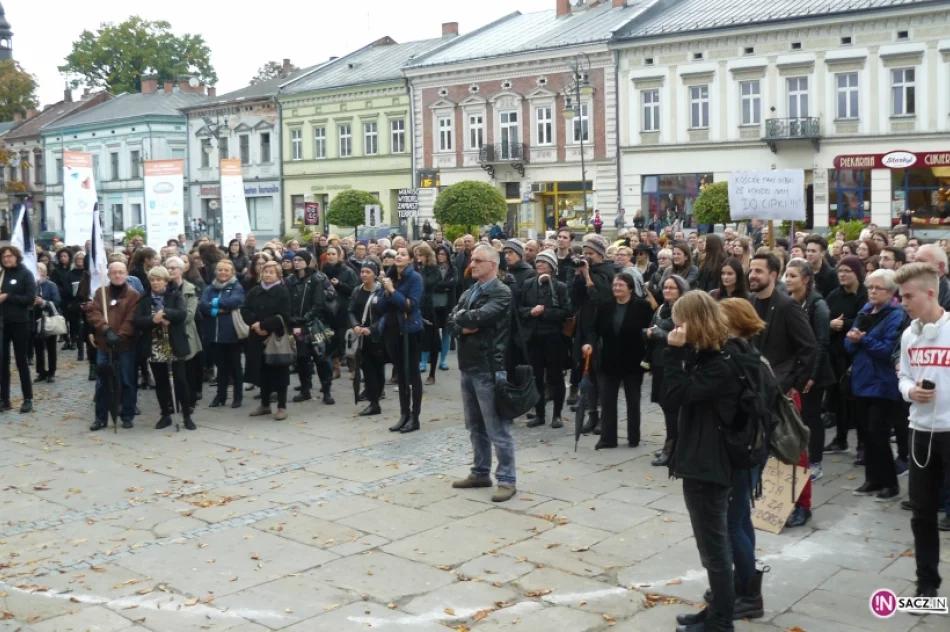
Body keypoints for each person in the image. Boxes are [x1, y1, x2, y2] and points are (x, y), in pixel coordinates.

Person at [664, 291, 742, 632]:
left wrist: (673, 354)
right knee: (711, 545)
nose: (675, 328)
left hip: (709, 464)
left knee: (714, 549)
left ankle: (722, 621)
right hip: (705, 457)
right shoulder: (714, 355)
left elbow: (675, 396)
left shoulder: (720, 363)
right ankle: (715, 611)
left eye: (679, 321)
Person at [749, 253, 817, 528]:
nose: (752, 275)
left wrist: (793, 385)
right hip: (757, 389)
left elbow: (808, 347)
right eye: (751, 270)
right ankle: (772, 500)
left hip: (783, 391)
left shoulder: (788, 306)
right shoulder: (751, 302)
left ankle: (802, 505)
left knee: (792, 447)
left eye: (758, 271)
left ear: (773, 275)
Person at [894, 263, 950, 600]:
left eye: (908, 296)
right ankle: (926, 582)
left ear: (930, 293)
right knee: (922, 512)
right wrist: (910, 391)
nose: (903, 303)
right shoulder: (909, 335)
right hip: (921, 431)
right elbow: (903, 376)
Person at [449, 244, 516, 502]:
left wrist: (462, 320)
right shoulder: (470, 291)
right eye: (472, 260)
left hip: (489, 367)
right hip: (468, 365)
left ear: (493, 265)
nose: (472, 264)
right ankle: (480, 472)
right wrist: (461, 326)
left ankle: (507, 479)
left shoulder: (501, 292)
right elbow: (451, 321)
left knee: (497, 427)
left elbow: (480, 318)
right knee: (474, 425)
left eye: (478, 260)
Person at [717, 297, 770, 622]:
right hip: (752, 448)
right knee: (740, 518)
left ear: (734, 323)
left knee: (732, 522)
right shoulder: (749, 353)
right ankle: (742, 584)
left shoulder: (741, 357)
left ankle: (749, 594)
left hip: (746, 449)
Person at [846, 268, 905, 501]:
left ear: (890, 291)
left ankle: (890, 483)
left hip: (882, 384)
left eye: (877, 288)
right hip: (861, 381)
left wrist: (864, 340)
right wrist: (855, 341)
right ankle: (872, 479)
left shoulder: (897, 315)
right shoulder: (865, 310)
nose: (872, 291)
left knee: (878, 434)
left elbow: (889, 350)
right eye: (869, 287)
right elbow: (848, 345)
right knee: (866, 435)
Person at [582, 272, 653, 449]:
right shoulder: (606, 306)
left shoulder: (642, 306)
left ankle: (633, 437)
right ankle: (608, 438)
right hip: (609, 360)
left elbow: (650, 331)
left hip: (633, 361)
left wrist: (648, 356)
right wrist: (589, 344)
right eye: (614, 285)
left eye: (621, 285)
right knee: (607, 401)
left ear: (630, 288)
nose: (616, 288)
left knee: (633, 400)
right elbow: (593, 330)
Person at [785, 259, 836, 481]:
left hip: (815, 373)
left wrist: (812, 376)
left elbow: (821, 343)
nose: (788, 280)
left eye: (793, 276)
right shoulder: (790, 301)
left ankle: (815, 462)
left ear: (806, 279)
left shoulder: (818, 305)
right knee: (796, 415)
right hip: (796, 369)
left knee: (811, 416)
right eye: (787, 275)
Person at [134, 266, 194, 430]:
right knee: (161, 382)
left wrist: (165, 313)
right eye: (152, 280)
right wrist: (153, 319)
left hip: (173, 343)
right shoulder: (144, 298)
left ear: (166, 281)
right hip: (155, 345)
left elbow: (182, 314)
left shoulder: (175, 295)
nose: (155, 283)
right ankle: (165, 414)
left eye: (159, 280)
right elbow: (137, 320)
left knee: (180, 380)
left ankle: (186, 415)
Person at [519, 250, 571, 429]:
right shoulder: (528, 284)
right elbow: (520, 309)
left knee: (556, 376)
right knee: (536, 377)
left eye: (543, 261)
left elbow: (566, 311)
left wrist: (544, 312)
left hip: (554, 337)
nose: (539, 264)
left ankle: (557, 414)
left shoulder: (560, 287)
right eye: (538, 261)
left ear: (552, 266)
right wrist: (530, 312)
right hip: (534, 338)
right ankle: (540, 414)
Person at [823, 256, 870, 455]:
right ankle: (840, 439)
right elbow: (824, 319)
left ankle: (863, 443)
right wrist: (831, 324)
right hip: (836, 354)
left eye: (847, 271)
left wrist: (845, 324)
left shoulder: (864, 295)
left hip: (857, 355)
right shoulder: (834, 295)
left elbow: (866, 320)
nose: (842, 275)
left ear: (857, 273)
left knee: (856, 402)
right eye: (840, 271)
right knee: (839, 400)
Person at [86, 262, 141, 430]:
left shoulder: (133, 295)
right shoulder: (100, 293)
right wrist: (106, 330)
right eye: (114, 272)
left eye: (121, 272)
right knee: (102, 382)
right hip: (105, 345)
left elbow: (132, 318)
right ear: (109, 275)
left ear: (126, 274)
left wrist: (120, 335)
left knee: (127, 381)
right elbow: (94, 313)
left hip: (125, 345)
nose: (117, 275)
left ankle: (127, 415)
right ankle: (101, 417)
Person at [378, 246, 424, 433]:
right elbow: (380, 306)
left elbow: (410, 306)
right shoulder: (390, 277)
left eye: (403, 254)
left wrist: (392, 291)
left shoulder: (415, 278)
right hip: (391, 330)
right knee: (400, 374)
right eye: (397, 254)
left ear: (411, 260)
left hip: (409, 331)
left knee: (412, 373)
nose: (398, 256)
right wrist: (387, 292)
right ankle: (404, 414)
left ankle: (415, 417)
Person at [573, 235, 615, 434]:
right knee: (587, 372)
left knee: (601, 374)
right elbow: (575, 299)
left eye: (591, 253)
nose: (587, 257)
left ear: (600, 254)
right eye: (585, 253)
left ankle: (604, 417)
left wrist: (588, 276)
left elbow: (602, 298)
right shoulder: (584, 271)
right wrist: (577, 276)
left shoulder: (608, 271)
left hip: (601, 328)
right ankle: (592, 414)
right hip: (585, 326)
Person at [646, 274, 689, 466]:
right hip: (658, 362)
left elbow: (682, 336)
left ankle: (672, 448)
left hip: (674, 363)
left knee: (672, 407)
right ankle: (671, 444)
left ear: (681, 290)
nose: (667, 291)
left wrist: (657, 333)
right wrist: (649, 332)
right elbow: (650, 328)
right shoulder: (661, 308)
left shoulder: (683, 309)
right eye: (665, 287)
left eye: (672, 288)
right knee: (665, 406)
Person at [243, 261, 292, 421]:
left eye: (271, 272)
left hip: (275, 336)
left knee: (279, 371)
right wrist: (255, 324)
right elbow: (245, 309)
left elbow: (284, 315)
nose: (268, 274)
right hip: (257, 336)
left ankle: (282, 406)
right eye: (265, 271)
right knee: (261, 371)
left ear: (278, 275)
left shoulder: (282, 292)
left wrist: (264, 325)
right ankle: (265, 404)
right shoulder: (255, 291)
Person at [287, 250, 335, 405]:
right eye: (295, 260)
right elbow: (287, 301)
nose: (297, 262)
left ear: (307, 262)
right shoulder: (290, 280)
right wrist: (292, 319)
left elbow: (318, 303)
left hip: (314, 325)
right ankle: (305, 390)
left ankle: (326, 391)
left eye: (300, 260)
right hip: (297, 327)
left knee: (320, 357)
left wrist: (306, 318)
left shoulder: (316, 279)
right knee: (301, 358)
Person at [199, 260, 246, 408]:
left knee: (235, 367)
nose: (223, 273)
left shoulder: (236, 286)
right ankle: (221, 395)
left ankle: (238, 396)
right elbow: (202, 305)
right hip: (213, 335)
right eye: (220, 270)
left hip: (231, 335)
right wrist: (217, 310)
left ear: (232, 272)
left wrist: (213, 303)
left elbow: (235, 301)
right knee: (220, 367)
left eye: (226, 270)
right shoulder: (209, 287)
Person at [0, 245, 38, 413]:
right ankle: (4, 399)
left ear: (16, 256)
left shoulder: (25, 274)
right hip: (2, 323)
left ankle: (27, 399)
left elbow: (30, 298)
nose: (6, 259)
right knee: (2, 362)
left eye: (9, 256)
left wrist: (8, 296)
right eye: (4, 257)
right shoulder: (1, 274)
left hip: (20, 322)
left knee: (21, 360)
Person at [166, 256, 203, 410]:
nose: (170, 271)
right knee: (172, 371)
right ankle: (173, 402)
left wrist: (170, 320)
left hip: (185, 333)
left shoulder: (189, 289)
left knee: (188, 370)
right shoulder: (164, 288)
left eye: (173, 268)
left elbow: (189, 314)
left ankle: (190, 401)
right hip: (167, 334)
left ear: (181, 270)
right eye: (168, 268)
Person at [349, 261, 385, 416]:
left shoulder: (381, 292)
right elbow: (350, 310)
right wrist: (355, 325)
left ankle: (377, 394)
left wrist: (372, 328)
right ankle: (374, 402)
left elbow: (385, 314)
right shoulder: (357, 291)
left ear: (374, 274)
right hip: (361, 337)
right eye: (362, 271)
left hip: (377, 337)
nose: (364, 274)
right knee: (367, 368)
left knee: (378, 369)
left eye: (367, 272)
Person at [323, 245, 358, 380]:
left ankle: (353, 368)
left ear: (339, 256)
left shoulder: (347, 271)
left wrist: (340, 284)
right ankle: (335, 369)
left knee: (347, 339)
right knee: (331, 339)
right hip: (328, 310)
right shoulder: (323, 270)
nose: (331, 256)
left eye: (333, 254)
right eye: (329, 254)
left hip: (343, 309)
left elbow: (354, 290)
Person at [414, 243, 442, 384]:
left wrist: (420, 270)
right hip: (416, 306)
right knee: (415, 341)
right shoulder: (417, 269)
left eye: (420, 255)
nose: (418, 258)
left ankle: (432, 374)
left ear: (427, 256)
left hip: (429, 308)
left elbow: (425, 284)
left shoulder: (434, 270)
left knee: (432, 341)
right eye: (416, 255)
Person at [33, 262, 61, 384]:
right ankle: (41, 371)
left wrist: (43, 302)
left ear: (44, 272)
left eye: (40, 271)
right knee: (38, 347)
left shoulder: (51, 285)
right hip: (35, 319)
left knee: (51, 347)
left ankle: (51, 372)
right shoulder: (31, 285)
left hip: (49, 319)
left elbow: (57, 301)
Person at [433, 246, 456, 371]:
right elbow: (430, 284)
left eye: (443, 254)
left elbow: (453, 283)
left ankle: (443, 360)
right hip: (433, 304)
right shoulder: (432, 268)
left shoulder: (453, 269)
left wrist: (439, 285)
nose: (441, 256)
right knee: (432, 333)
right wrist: (444, 286)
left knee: (446, 332)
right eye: (439, 254)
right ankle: (427, 360)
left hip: (448, 304)